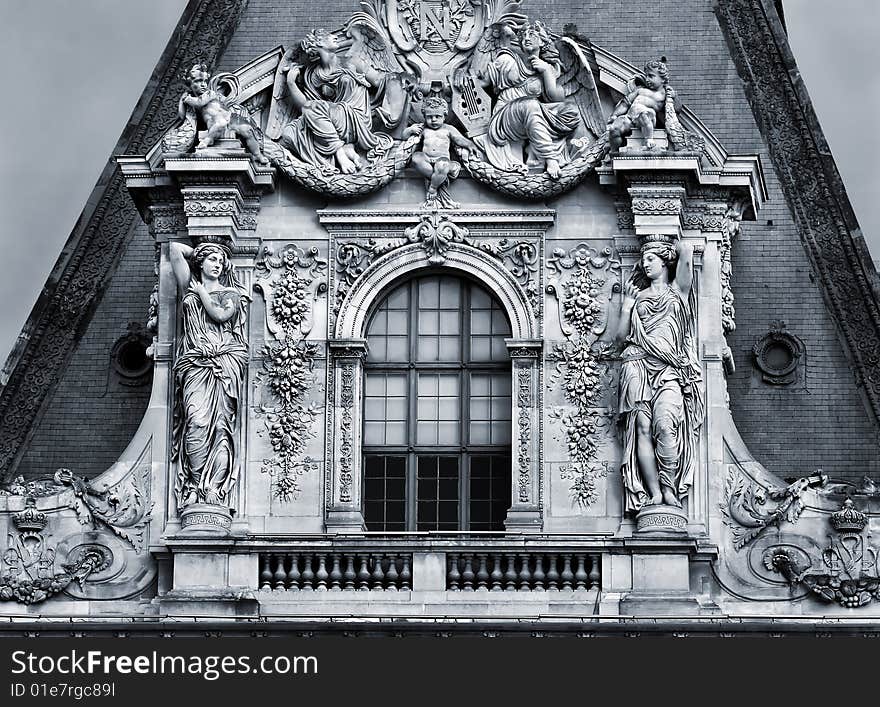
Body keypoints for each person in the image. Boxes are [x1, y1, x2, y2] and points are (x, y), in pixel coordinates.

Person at [615, 238, 704, 514]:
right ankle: (653, 492)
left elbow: (686, 254)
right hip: (636, 365)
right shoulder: (638, 298)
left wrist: (666, 222)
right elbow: (620, 338)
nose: (645, 264)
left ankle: (669, 487)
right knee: (641, 428)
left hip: (668, 370)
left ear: (665, 262)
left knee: (666, 425)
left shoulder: (678, 292)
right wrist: (627, 305)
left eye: (651, 259)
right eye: (643, 260)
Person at [170, 241, 249, 510]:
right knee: (196, 421)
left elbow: (220, 315)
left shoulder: (231, 293)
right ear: (201, 263)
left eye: (221, 261)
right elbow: (174, 249)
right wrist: (201, 250)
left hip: (224, 363)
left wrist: (202, 291)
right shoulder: (188, 286)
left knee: (221, 427)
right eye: (212, 260)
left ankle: (214, 488)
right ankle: (194, 484)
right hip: (196, 364)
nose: (217, 264)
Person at [471, 21, 580, 178]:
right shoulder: (506, 59)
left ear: (542, 41)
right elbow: (481, 83)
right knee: (530, 104)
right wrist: (461, 78)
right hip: (504, 118)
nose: (526, 38)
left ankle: (534, 149)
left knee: (570, 111)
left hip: (531, 116)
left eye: (532, 35)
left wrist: (545, 71)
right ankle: (550, 158)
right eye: (524, 36)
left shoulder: (547, 68)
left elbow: (555, 98)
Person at [278, 29, 385, 174]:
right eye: (329, 36)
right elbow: (305, 106)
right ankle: (345, 148)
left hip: (356, 118)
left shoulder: (352, 62)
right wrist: (291, 82)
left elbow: (380, 80)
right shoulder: (313, 75)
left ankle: (340, 153)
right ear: (319, 43)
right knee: (289, 132)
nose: (335, 36)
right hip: (336, 120)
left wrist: (407, 81)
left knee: (312, 108)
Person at [180, 63, 269, 164]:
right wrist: (182, 101)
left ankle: (257, 154)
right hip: (215, 121)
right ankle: (208, 140)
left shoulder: (209, 93)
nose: (204, 85)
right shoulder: (191, 99)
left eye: (205, 81)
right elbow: (182, 116)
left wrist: (187, 99)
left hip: (228, 117)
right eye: (198, 81)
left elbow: (200, 102)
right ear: (189, 84)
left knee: (248, 130)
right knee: (220, 124)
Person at [403, 97, 479, 208]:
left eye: (437, 116)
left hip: (442, 160)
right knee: (416, 158)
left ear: (444, 116)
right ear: (424, 117)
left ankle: (433, 187)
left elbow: (459, 139)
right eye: (429, 117)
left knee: (442, 165)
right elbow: (404, 137)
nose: (433, 120)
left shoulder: (448, 129)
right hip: (427, 160)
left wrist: (470, 144)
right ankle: (438, 178)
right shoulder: (423, 128)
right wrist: (410, 130)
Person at [607, 58, 674, 151]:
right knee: (614, 129)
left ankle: (649, 140)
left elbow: (675, 109)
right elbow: (625, 103)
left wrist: (673, 97)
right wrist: (614, 115)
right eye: (646, 76)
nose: (647, 79)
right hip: (630, 118)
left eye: (651, 76)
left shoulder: (664, 93)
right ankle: (613, 152)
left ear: (662, 79)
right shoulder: (640, 90)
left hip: (648, 117)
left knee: (644, 115)